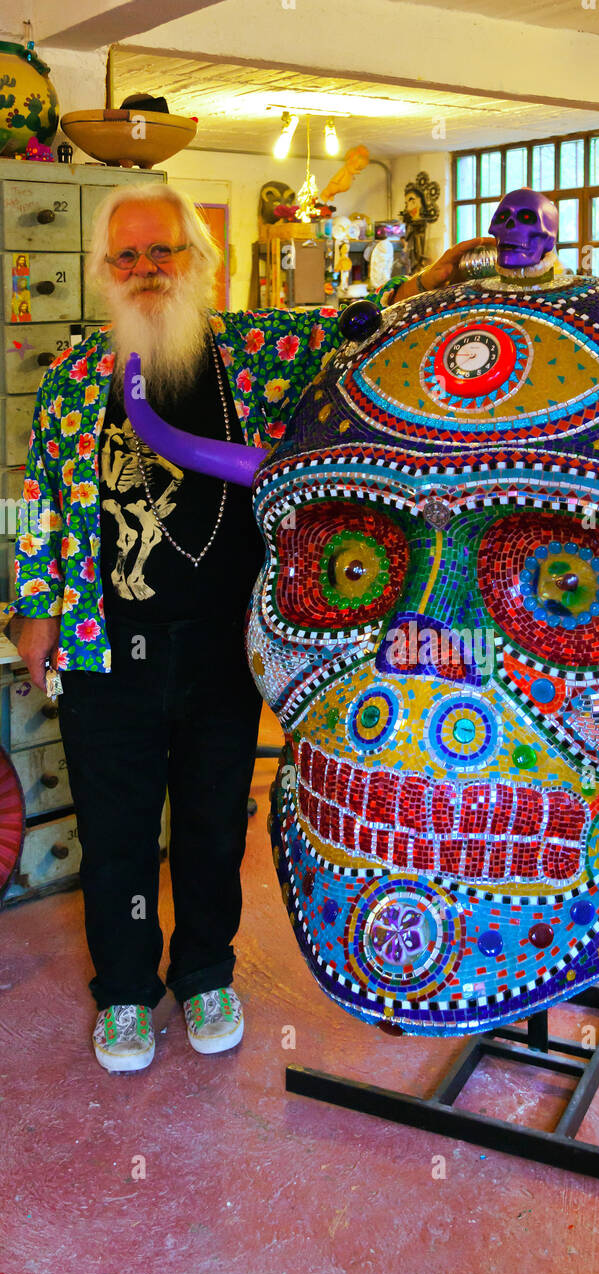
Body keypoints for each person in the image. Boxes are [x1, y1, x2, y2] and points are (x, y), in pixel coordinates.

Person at [9, 182, 490, 1073]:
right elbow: (33, 502)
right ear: (105, 271)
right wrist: (33, 609)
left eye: (166, 252)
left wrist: (425, 277)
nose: (147, 269)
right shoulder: (75, 375)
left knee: (208, 820)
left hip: (226, 644)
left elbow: (346, 324)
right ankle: (123, 993)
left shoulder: (251, 351)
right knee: (115, 830)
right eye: (129, 255)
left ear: (201, 261)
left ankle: (203, 975)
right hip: (100, 644)